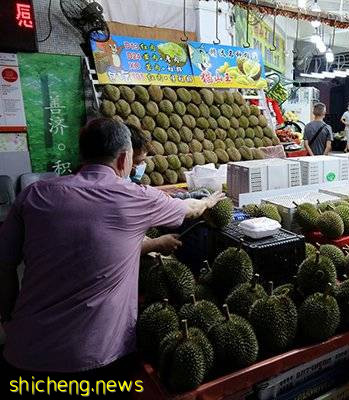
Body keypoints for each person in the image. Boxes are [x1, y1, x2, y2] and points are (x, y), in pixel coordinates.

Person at [0, 118, 224, 388]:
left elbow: (4, 265)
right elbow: (191, 209)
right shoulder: (136, 197)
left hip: (24, 353)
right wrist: (210, 201)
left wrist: (8, 317)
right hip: (97, 359)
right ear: (123, 158)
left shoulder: (35, 194)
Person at [126, 123, 183, 256]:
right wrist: (155, 244)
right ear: (124, 158)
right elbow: (114, 248)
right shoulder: (128, 194)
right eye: (138, 162)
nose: (140, 167)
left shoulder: (68, 187)